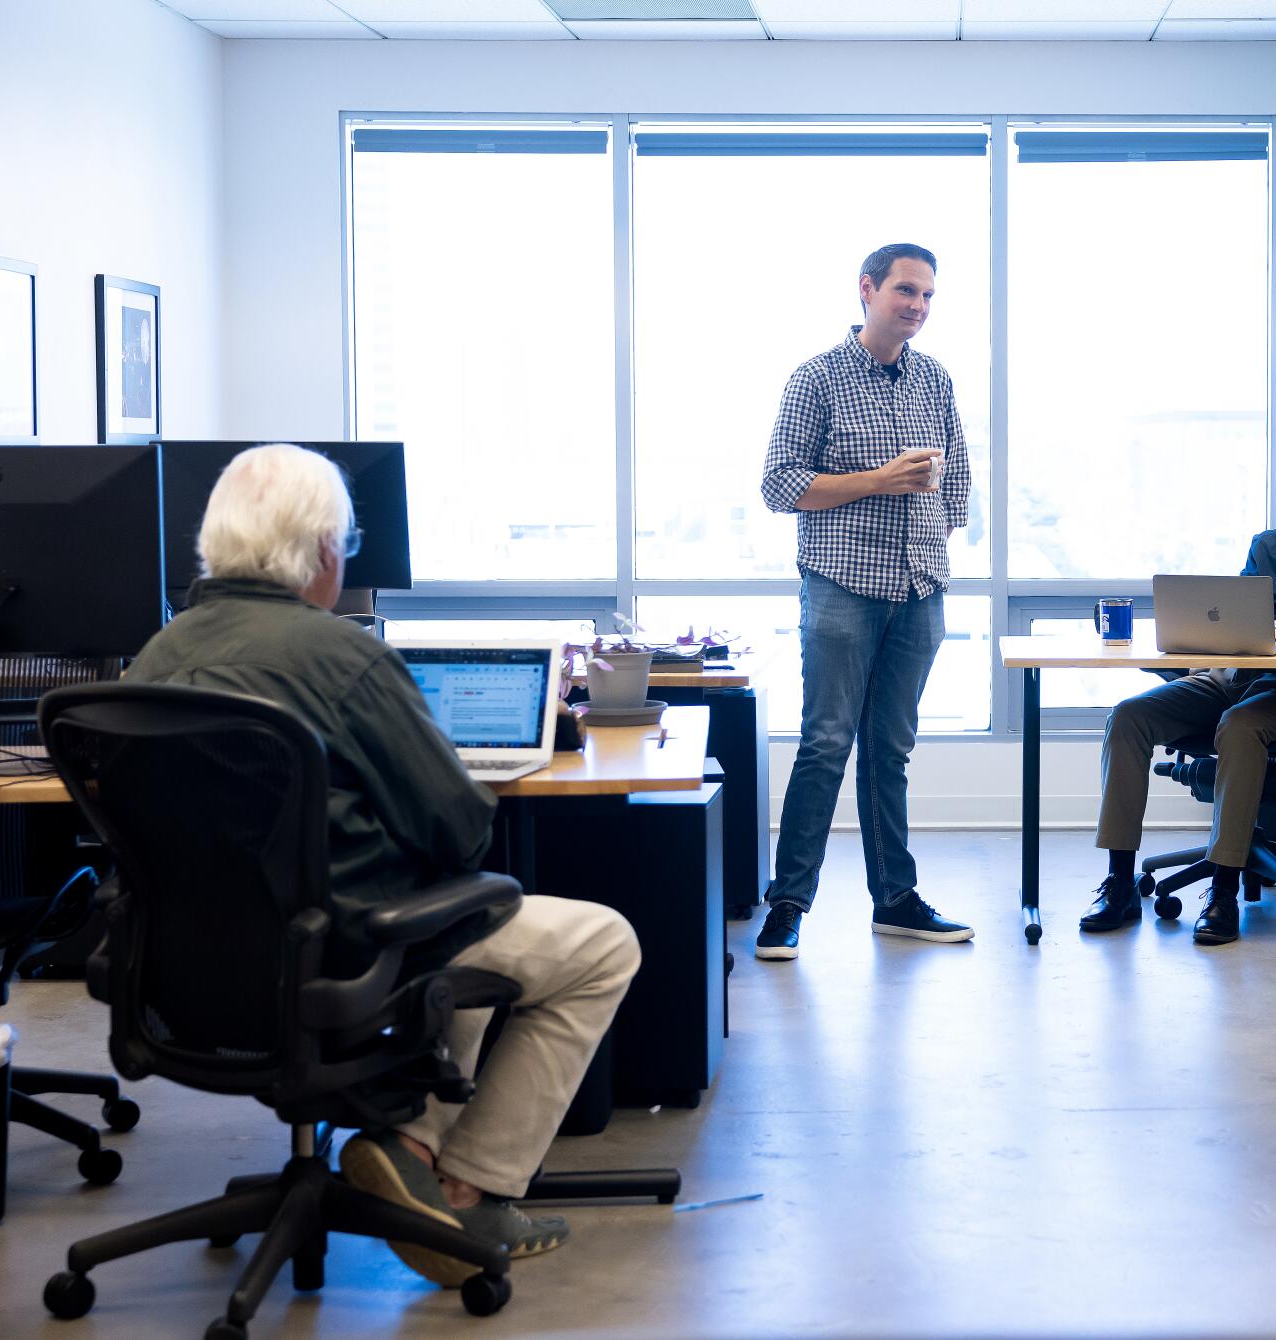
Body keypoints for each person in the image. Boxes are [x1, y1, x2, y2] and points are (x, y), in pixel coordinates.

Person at [124, 444, 641, 1288]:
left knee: (464, 927)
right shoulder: (344, 657)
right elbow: (459, 825)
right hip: (348, 953)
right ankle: (467, 1185)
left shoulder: (155, 658)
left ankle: (409, 1145)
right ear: (326, 551)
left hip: (185, 976)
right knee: (596, 942)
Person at [754, 243, 974, 961]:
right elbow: (780, 486)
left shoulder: (935, 380)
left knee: (891, 751)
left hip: (919, 590)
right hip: (841, 589)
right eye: (905, 291)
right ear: (868, 289)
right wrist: (879, 479)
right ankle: (788, 906)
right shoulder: (815, 379)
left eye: (928, 296)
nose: (917, 306)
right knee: (824, 746)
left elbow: (958, 480)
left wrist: (931, 534)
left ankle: (896, 902)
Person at [1081, 434, 1276, 946]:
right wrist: (1270, 623)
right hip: (1239, 677)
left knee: (1240, 728)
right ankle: (1118, 883)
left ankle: (1222, 888)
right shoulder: (1267, 545)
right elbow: (1241, 615)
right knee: (1128, 717)